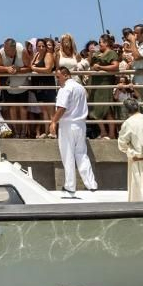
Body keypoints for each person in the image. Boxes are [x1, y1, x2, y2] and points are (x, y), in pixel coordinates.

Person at [49, 66, 97, 197]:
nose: (57, 80)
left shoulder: (65, 89)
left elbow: (62, 108)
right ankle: (91, 184)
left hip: (68, 124)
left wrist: (53, 122)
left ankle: (70, 186)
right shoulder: (80, 87)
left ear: (65, 75)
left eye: (58, 77)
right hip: (80, 124)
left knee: (68, 155)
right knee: (82, 154)